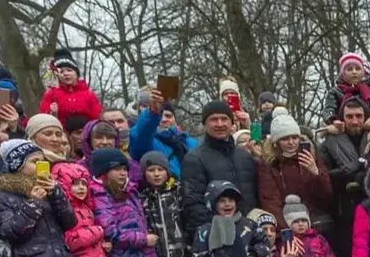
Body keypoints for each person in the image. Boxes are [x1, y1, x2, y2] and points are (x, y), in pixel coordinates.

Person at [182, 101, 259, 234]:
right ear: (205, 124)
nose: (219, 124)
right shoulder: (194, 158)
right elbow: (193, 204)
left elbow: (255, 195)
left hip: (249, 231)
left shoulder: (244, 157)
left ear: (232, 123)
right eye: (213, 119)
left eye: (224, 119)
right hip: (217, 234)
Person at [257, 112, 333, 229]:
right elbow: (271, 201)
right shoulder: (269, 165)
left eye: (294, 137)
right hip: (287, 223)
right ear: (276, 142)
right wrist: (287, 230)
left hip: (314, 221)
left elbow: (326, 196)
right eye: (285, 139)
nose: (291, 142)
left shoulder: (311, 157)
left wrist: (317, 174)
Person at [130, 89, 197, 178]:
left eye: (168, 116)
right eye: (161, 116)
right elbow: (141, 134)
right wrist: (153, 112)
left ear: (175, 120)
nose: (164, 120)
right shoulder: (149, 142)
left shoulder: (192, 143)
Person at [39, 49, 102, 125]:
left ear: (76, 73)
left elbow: (96, 118)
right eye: (61, 72)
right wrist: (51, 113)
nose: (65, 74)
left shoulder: (89, 95)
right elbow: (43, 118)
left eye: (69, 70)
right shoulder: (51, 94)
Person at [82, 120, 142, 186]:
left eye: (109, 137)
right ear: (89, 140)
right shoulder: (80, 168)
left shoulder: (133, 167)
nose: (105, 142)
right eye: (98, 138)